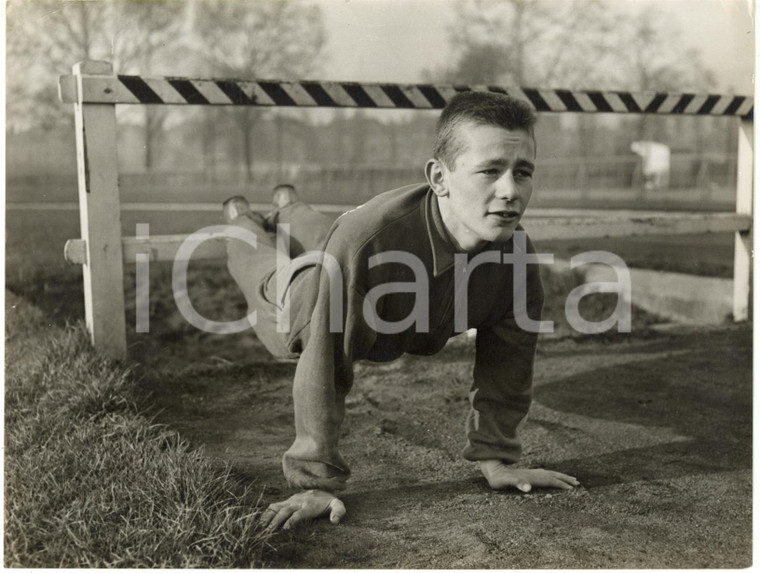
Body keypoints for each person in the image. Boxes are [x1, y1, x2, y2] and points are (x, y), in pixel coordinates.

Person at [222, 92, 579, 532]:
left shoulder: (515, 255)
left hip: (363, 264)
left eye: (522, 172)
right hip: (307, 301)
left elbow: (509, 360)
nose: (510, 191)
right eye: (490, 170)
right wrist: (315, 480)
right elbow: (324, 363)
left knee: (327, 234)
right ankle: (241, 218)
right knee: (265, 266)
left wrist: (496, 457)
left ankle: (288, 206)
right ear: (439, 177)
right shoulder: (367, 240)